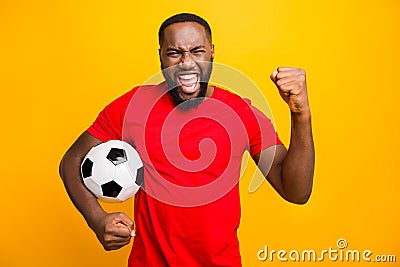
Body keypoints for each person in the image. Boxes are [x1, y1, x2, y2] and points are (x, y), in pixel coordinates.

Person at [59, 13, 314, 267]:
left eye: (197, 51)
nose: (187, 63)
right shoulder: (133, 106)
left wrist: (300, 114)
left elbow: (296, 191)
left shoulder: (240, 113)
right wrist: (97, 219)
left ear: (212, 52)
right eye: (174, 53)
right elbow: (72, 160)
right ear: (160, 55)